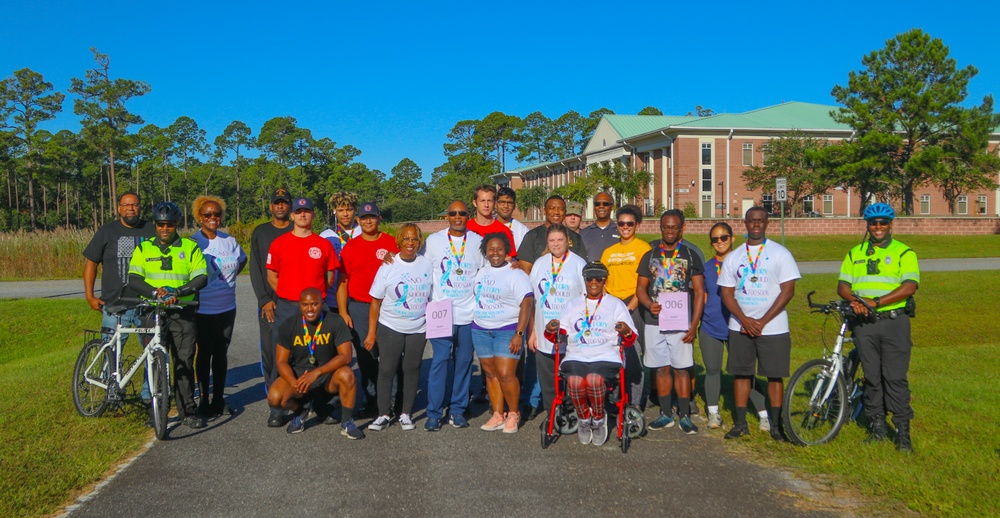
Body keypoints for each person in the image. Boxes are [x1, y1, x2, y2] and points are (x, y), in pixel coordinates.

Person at [837, 202, 919, 453]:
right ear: (868, 225)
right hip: (865, 325)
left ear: (891, 224)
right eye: (874, 223)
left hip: (894, 322)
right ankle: (877, 428)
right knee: (872, 378)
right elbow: (843, 284)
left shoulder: (904, 253)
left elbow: (909, 286)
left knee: (894, 377)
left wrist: (876, 302)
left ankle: (903, 432)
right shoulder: (855, 253)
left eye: (883, 222)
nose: (878, 227)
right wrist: (854, 301)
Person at [719, 206, 800, 442]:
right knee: (741, 375)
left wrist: (762, 321)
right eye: (752, 220)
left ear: (767, 224)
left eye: (761, 221)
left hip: (773, 326)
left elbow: (788, 290)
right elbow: (726, 293)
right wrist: (745, 320)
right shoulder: (734, 256)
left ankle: (776, 426)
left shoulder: (780, 253)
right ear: (745, 223)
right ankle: (741, 423)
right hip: (740, 326)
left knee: (774, 376)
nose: (756, 224)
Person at [127, 201, 208, 429]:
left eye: (170, 225)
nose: (165, 228)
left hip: (182, 312)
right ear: (155, 225)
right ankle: (156, 410)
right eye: (161, 224)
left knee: (183, 363)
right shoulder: (143, 248)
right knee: (154, 363)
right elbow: (134, 279)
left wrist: (178, 292)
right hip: (152, 312)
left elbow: (201, 277)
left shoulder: (190, 247)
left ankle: (187, 412)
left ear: (176, 225)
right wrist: (155, 293)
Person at [543, 261, 638, 446]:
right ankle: (584, 419)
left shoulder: (615, 304)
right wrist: (550, 328)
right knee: (575, 381)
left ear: (605, 281)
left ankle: (598, 418)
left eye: (599, 279)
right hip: (577, 354)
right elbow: (558, 335)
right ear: (585, 280)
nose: (594, 282)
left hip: (606, 355)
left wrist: (625, 329)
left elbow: (630, 338)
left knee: (594, 379)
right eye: (590, 279)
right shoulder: (573, 304)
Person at [265, 197, 339, 426]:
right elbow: (272, 275)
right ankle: (278, 408)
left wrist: (314, 301)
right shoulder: (279, 243)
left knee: (322, 353)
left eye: (307, 211)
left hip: (317, 308)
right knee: (284, 356)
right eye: (299, 211)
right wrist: (291, 298)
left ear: (313, 215)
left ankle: (322, 403)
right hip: (288, 306)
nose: (303, 215)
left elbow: (329, 276)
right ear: (292, 215)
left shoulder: (323, 244)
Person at [636, 209, 705, 435]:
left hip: (680, 321)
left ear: (682, 228)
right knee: (662, 369)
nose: (669, 231)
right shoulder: (650, 254)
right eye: (666, 227)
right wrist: (648, 304)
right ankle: (666, 414)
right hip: (655, 321)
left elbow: (700, 291)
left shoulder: (690, 255)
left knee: (682, 369)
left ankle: (684, 415)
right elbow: (641, 288)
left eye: (674, 227)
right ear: (660, 228)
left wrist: (693, 325)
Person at [422, 200, 485, 431]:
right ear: (446, 216)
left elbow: (488, 270)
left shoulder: (478, 241)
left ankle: (457, 410)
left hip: (468, 313)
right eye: (453, 213)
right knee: (439, 363)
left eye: (462, 213)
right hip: (441, 312)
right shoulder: (434, 241)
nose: (457, 216)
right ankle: (434, 412)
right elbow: (421, 268)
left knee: (465, 363)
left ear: (468, 215)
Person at [700, 222, 770, 431]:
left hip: (739, 325)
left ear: (732, 238)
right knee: (712, 370)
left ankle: (764, 415)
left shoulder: (744, 262)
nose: (719, 242)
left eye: (724, 237)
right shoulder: (706, 267)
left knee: (745, 372)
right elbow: (703, 297)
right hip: (711, 326)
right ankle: (714, 413)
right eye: (715, 239)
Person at [268, 288, 364, 438]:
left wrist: (317, 373)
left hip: (326, 375)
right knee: (274, 397)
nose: (310, 309)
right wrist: (294, 382)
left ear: (322, 303)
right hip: (300, 375)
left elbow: (346, 356)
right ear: (300, 305)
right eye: (305, 305)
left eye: (314, 304)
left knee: (347, 374)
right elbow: (281, 362)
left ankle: (347, 423)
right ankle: (300, 411)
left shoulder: (334, 320)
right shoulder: (288, 325)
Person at [365, 223, 432, 432]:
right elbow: (375, 300)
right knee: (386, 369)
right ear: (399, 241)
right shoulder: (388, 264)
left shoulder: (427, 264)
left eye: (414, 239)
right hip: (390, 325)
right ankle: (384, 414)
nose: (410, 243)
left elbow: (434, 296)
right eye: (406, 239)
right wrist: (371, 332)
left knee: (412, 370)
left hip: (418, 328)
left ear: (419, 241)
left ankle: (405, 413)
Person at [336, 201, 400, 417]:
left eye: (372, 217)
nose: (368, 220)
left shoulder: (391, 242)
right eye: (364, 218)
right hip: (360, 308)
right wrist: (344, 312)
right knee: (366, 356)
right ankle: (372, 400)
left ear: (379, 219)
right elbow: (342, 282)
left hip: (388, 307)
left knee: (391, 355)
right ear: (358, 221)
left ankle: (392, 401)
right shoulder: (351, 247)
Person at [191, 195, 247, 418]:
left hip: (227, 307)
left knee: (221, 353)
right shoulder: (193, 242)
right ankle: (203, 400)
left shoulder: (229, 241)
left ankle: (218, 399)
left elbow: (241, 260)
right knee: (204, 354)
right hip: (202, 309)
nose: (212, 218)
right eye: (207, 215)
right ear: (199, 217)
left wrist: (229, 280)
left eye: (216, 214)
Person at [472, 233, 533, 433]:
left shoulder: (516, 273)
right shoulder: (481, 272)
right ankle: (498, 414)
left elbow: (526, 302)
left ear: (506, 250)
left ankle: (513, 413)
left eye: (499, 249)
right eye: (491, 249)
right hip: (481, 328)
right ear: (485, 252)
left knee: (506, 374)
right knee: (490, 373)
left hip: (507, 329)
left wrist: (519, 333)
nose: (495, 253)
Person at [526, 224, 586, 419]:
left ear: (567, 240)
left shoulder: (578, 263)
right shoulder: (540, 264)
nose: (556, 244)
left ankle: (572, 410)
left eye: (560, 240)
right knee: (547, 377)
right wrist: (532, 331)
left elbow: (586, 299)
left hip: (571, 333)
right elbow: (532, 301)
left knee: (571, 376)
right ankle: (553, 412)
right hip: (544, 332)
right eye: (552, 240)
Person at [83, 191, 154, 337]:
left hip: (147, 303)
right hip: (115, 304)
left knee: (153, 353)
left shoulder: (152, 230)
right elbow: (91, 263)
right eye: (126, 205)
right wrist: (90, 296)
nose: (131, 208)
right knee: (111, 351)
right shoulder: (107, 231)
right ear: (119, 208)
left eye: (134, 204)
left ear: (140, 207)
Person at [599, 204, 649, 408]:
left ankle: (635, 401)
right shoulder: (609, 252)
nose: (625, 227)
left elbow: (643, 283)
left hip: (633, 304)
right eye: (621, 223)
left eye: (630, 223)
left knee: (634, 353)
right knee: (611, 350)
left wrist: (628, 308)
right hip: (612, 303)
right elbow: (602, 282)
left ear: (636, 225)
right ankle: (614, 397)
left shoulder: (643, 248)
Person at [250, 187, 293, 405]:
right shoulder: (261, 232)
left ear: (290, 206)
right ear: (271, 206)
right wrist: (264, 300)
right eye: (277, 202)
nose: (280, 206)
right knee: (270, 351)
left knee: (296, 350)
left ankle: (296, 393)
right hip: (270, 302)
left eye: (284, 202)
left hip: (294, 301)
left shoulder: (298, 229)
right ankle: (274, 395)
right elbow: (255, 269)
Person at [516, 195, 588, 274]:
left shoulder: (575, 237)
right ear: (544, 211)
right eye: (552, 208)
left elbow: (582, 267)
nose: (556, 212)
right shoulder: (532, 236)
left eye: (560, 209)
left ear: (565, 212)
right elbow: (525, 269)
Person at [319, 191, 362, 311]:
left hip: (357, 300)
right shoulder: (325, 236)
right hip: (332, 300)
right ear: (334, 211)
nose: (345, 214)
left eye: (349, 209)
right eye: (341, 210)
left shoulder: (363, 233)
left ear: (355, 210)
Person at [466, 184, 518, 256]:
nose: (486, 205)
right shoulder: (466, 227)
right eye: (482, 201)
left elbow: (510, 258)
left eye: (489, 201)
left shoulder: (504, 230)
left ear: (495, 203)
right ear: (475, 203)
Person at [579, 192, 619, 263]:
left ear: (612, 207)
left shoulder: (620, 231)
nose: (601, 206)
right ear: (594, 207)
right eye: (597, 204)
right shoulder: (583, 233)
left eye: (605, 204)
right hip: (591, 273)